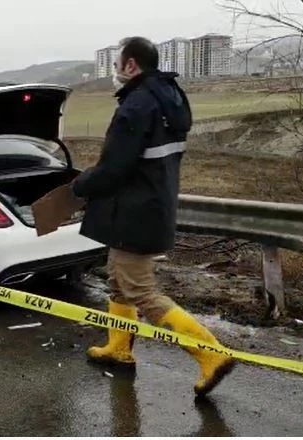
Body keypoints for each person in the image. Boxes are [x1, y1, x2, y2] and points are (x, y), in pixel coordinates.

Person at [71, 37, 235, 397]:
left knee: (140, 290)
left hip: (134, 212)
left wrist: (79, 186)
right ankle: (119, 348)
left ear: (131, 66)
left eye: (116, 66)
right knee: (119, 279)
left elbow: (114, 167)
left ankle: (210, 354)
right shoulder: (168, 97)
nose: (115, 73)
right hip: (149, 204)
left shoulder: (137, 104)